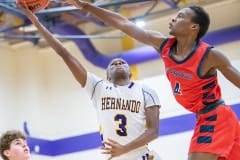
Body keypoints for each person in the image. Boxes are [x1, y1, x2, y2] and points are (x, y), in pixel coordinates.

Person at [56, 1, 240, 160]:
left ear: (194, 27)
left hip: (215, 115)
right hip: (203, 117)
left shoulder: (209, 55)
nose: (173, 19)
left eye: (180, 16)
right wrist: (84, 5)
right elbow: (123, 23)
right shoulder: (164, 46)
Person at [18, 3, 161, 160]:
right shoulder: (98, 88)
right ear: (107, 76)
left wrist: (124, 149)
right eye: (113, 64)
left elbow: (153, 131)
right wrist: (35, 21)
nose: (118, 63)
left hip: (143, 156)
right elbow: (64, 54)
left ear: (130, 72)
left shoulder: (145, 90)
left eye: (122, 63)